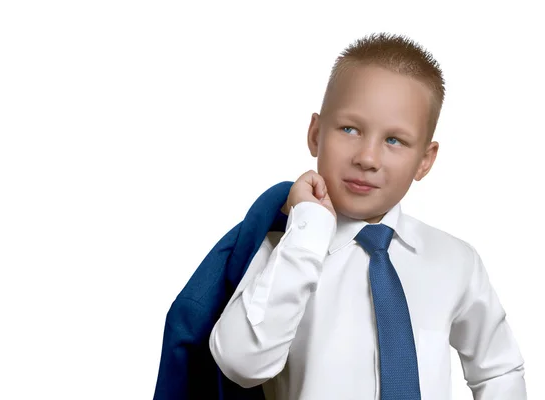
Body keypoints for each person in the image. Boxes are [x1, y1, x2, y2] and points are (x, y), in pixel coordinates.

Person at [208, 32, 527, 399]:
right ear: (316, 134)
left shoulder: (456, 261)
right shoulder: (282, 251)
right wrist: (308, 233)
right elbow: (241, 364)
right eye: (349, 129)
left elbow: (499, 368)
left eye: (394, 140)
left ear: (425, 160)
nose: (368, 158)